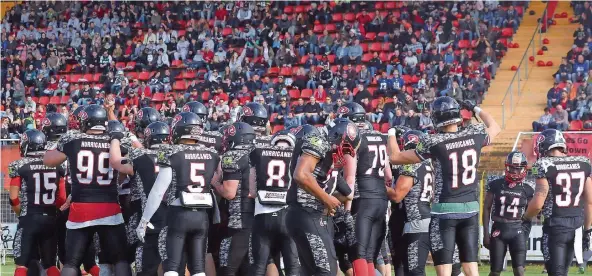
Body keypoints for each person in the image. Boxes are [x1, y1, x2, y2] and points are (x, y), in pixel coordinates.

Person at [388, 97, 501, 276]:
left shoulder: (434, 142)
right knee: (471, 269)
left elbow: (394, 157)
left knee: (444, 269)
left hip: (444, 211)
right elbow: (495, 126)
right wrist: (475, 108)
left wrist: (391, 132)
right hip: (470, 209)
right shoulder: (474, 133)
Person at [43, 104, 132, 276]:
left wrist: (61, 145)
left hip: (81, 207)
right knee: (121, 259)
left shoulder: (73, 140)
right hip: (109, 207)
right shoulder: (114, 141)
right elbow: (123, 173)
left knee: (71, 262)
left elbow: (48, 160)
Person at [136, 112, 221, 276]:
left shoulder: (171, 151)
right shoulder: (211, 153)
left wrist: (145, 220)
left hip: (178, 214)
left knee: (172, 267)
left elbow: (158, 190)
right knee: (198, 269)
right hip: (202, 215)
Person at [286, 118, 357, 275]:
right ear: (336, 135)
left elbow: (347, 194)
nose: (343, 153)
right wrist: (326, 198)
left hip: (312, 214)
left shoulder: (326, 152)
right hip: (305, 212)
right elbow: (301, 174)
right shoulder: (317, 140)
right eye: (343, 147)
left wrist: (329, 201)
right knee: (327, 270)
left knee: (312, 271)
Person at [524, 129, 592, 276]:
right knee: (564, 272)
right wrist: (587, 230)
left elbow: (537, 203)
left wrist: (525, 217)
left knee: (556, 273)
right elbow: (589, 201)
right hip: (577, 225)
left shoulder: (542, 164)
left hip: (555, 226)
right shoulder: (583, 162)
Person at [338, 102, 392, 276]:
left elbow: (350, 178)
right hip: (381, 200)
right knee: (370, 256)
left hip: (363, 200)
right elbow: (388, 175)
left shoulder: (353, 138)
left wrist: (346, 209)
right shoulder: (379, 136)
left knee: (358, 254)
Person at [109, 121, 170, 276]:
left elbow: (116, 162)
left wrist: (115, 138)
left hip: (150, 218)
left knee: (145, 266)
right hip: (175, 217)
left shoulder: (140, 156)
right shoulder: (176, 153)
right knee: (173, 265)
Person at [9, 129, 65, 276]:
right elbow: (62, 198)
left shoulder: (20, 165)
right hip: (50, 218)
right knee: (50, 265)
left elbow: (13, 198)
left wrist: (22, 214)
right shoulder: (56, 164)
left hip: (30, 217)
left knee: (22, 264)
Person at [248, 130, 301, 276]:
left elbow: (252, 192)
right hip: (289, 216)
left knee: (259, 266)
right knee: (292, 266)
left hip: (263, 215)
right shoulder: (296, 156)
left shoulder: (258, 152)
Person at [386, 130, 434, 276]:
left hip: (415, 221)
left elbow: (396, 196)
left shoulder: (411, 165)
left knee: (414, 271)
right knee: (409, 269)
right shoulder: (429, 165)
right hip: (424, 216)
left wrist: (376, 184)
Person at [214, 122, 258, 275]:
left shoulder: (233, 155)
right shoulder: (259, 152)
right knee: (251, 266)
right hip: (259, 216)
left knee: (229, 266)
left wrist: (214, 183)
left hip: (241, 218)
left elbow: (229, 193)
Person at [482, 151, 534, 276]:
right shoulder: (495, 183)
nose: (515, 171)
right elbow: (486, 208)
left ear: (524, 169)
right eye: (511, 167)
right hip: (498, 229)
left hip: (517, 229)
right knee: (495, 271)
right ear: (507, 166)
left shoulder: (528, 187)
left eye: (518, 168)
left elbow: (533, 211)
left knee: (519, 270)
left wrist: (525, 231)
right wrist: (485, 233)